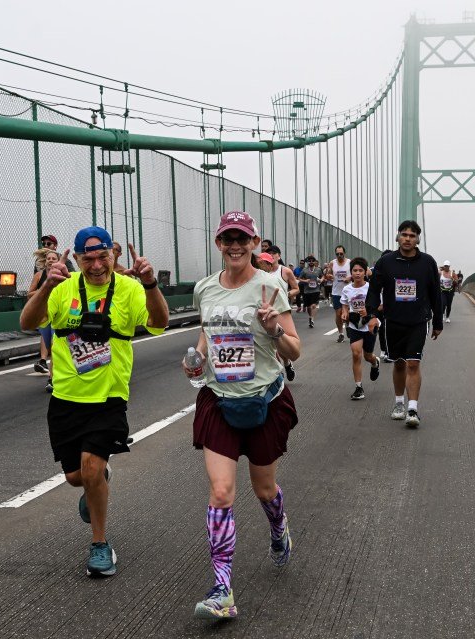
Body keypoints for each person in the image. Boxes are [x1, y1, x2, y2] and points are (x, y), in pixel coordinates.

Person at [20, 226, 169, 578]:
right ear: (78, 259)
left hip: (109, 396)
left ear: (113, 256)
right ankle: (95, 482)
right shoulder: (62, 288)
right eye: (89, 258)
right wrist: (46, 286)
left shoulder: (130, 289)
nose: (97, 265)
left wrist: (150, 284)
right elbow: (27, 323)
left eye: (104, 256)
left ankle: (100, 545)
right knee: (76, 476)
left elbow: (159, 322)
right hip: (66, 397)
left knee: (89, 468)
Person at [184, 211, 300, 620]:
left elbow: (294, 351)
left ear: (254, 243)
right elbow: (207, 330)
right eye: (227, 238)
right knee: (221, 492)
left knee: (265, 490)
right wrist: (197, 357)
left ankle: (278, 526)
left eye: (242, 239)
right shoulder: (205, 289)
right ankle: (222, 590)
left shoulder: (269, 286)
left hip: (264, 400)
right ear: (218, 243)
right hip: (218, 399)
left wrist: (272, 330)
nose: (234, 245)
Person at [365, 220, 442, 428]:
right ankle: (399, 403)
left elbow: (435, 292)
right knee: (399, 362)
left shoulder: (428, 262)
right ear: (398, 236)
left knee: (413, 363)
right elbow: (373, 290)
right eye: (404, 234)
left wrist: (438, 321)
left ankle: (413, 408)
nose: (407, 238)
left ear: (417, 239)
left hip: (418, 320)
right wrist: (372, 314)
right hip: (392, 321)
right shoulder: (386, 262)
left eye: (412, 235)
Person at [33, 234, 74, 375]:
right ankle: (43, 360)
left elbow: (72, 281)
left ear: (55, 246)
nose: (45, 244)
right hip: (46, 306)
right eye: (43, 242)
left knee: (56, 339)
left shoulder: (65, 262)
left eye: (49, 243)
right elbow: (35, 289)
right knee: (45, 332)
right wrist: (43, 290)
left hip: (61, 305)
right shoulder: (39, 267)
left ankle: (53, 374)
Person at [340, 258, 380, 400]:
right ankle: (358, 387)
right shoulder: (347, 289)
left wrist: (368, 312)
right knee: (356, 354)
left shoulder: (371, 288)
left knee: (367, 356)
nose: (357, 273)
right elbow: (345, 304)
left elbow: (380, 306)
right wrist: (345, 312)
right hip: (354, 324)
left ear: (365, 272)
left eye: (360, 270)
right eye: (354, 270)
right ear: (351, 272)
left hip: (369, 324)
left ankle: (375, 363)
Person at [28, 250, 60, 392]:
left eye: (54, 258)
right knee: (49, 346)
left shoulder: (62, 276)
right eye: (49, 258)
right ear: (45, 261)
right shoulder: (39, 275)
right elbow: (29, 294)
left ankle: (52, 379)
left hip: (58, 315)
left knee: (54, 347)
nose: (51, 260)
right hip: (44, 316)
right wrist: (45, 288)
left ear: (58, 261)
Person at [266, 246, 300, 382]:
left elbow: (296, 289)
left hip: (281, 309)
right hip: (266, 309)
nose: (271, 256)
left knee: (280, 339)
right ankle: (276, 371)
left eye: (274, 254)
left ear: (279, 256)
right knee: (268, 342)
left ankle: (286, 363)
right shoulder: (261, 271)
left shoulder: (285, 271)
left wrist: (287, 294)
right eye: (268, 254)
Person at [325, 245, 351, 343]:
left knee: (347, 314)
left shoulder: (350, 262)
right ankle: (341, 334)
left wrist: (350, 278)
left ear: (344, 253)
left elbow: (355, 273)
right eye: (337, 254)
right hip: (336, 292)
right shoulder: (332, 263)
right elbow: (327, 275)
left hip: (348, 292)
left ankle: (348, 326)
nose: (339, 255)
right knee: (338, 313)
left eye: (341, 254)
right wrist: (329, 275)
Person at [298, 256, 324, 328]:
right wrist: (305, 281)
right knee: (309, 307)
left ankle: (312, 319)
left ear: (315, 261)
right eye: (310, 261)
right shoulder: (304, 270)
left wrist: (321, 280)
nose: (311, 262)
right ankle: (310, 317)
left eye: (313, 260)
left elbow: (322, 276)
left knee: (313, 305)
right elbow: (299, 278)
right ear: (308, 262)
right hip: (307, 291)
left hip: (316, 290)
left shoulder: (318, 270)